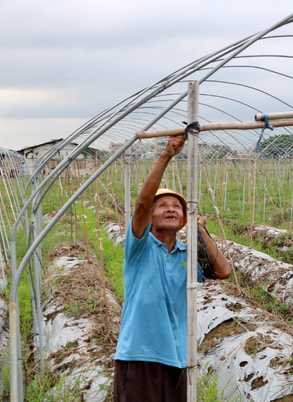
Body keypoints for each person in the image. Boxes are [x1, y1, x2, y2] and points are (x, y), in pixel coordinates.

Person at [113, 134, 231, 402]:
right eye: (163, 205)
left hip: (178, 358)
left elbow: (223, 271)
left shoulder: (187, 257)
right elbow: (142, 203)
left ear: (184, 218)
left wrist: (200, 230)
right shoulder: (139, 247)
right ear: (150, 215)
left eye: (177, 207)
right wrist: (167, 154)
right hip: (138, 355)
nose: (171, 209)